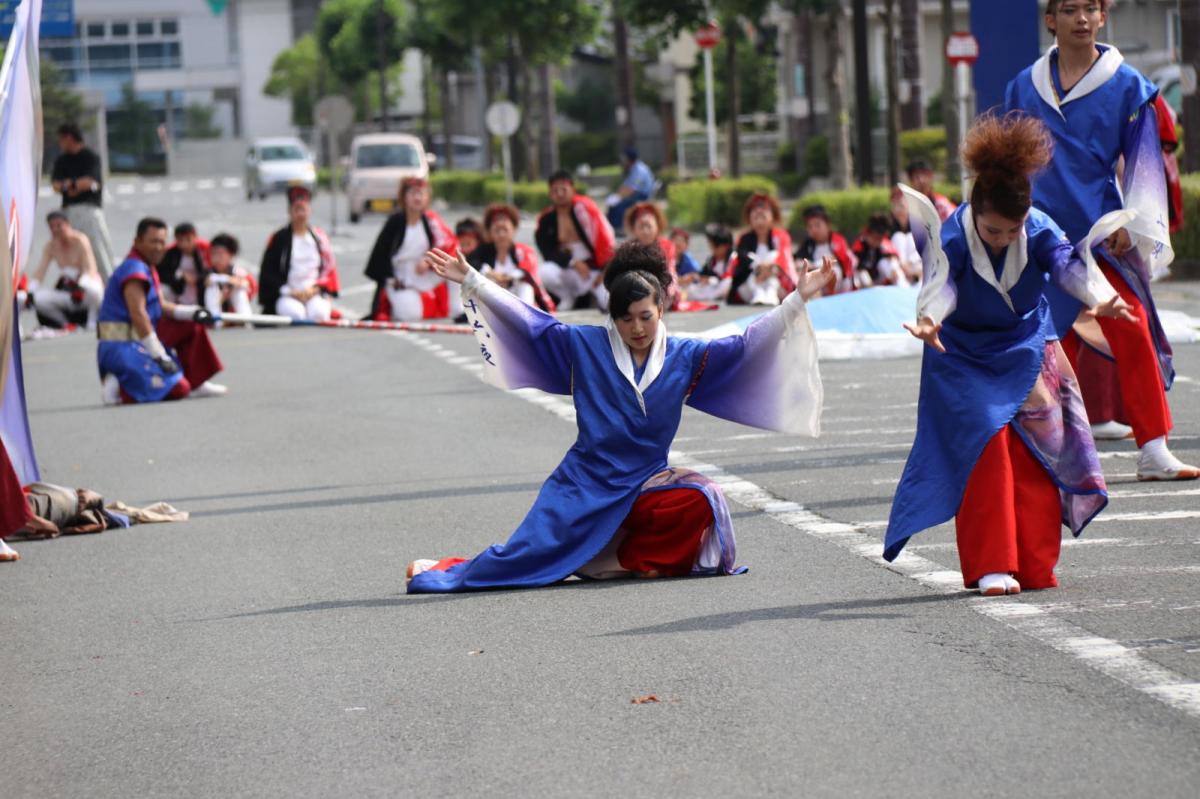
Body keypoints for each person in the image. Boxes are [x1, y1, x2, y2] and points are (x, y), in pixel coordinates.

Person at [405, 241, 833, 592]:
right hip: (585, 480)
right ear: (613, 319)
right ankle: (446, 567)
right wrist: (474, 281)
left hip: (645, 482)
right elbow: (532, 324)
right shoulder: (584, 347)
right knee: (523, 558)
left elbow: (746, 345)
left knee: (703, 497)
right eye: (626, 318)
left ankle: (617, 559)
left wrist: (798, 298)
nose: (637, 328)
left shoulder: (687, 356)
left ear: (661, 310)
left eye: (646, 316)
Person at [887, 113, 1136, 596]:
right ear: (974, 210)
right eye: (992, 230)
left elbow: (1067, 264)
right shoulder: (955, 235)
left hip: (1025, 346)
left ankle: (1033, 562)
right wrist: (929, 320)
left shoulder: (1037, 226)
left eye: (1011, 230)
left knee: (1040, 447)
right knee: (988, 447)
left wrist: (1097, 296)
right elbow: (942, 286)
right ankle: (990, 565)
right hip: (960, 352)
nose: (1001, 239)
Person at [1004, 0, 1196, 480]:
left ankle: (1153, 447)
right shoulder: (1022, 87)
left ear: (1104, 16)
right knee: (1033, 339)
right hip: (1035, 232)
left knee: (1131, 328)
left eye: (1091, 8)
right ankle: (1022, 448)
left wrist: (1135, 221)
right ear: (1051, 20)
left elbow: (1145, 159)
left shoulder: (1129, 85)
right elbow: (1005, 164)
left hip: (1099, 232)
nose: (1082, 18)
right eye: (1069, 9)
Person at [97, 218, 227, 405]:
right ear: (137, 242)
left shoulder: (147, 265)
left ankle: (197, 383)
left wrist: (193, 312)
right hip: (122, 344)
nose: (159, 247)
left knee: (191, 325)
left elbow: (162, 306)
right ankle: (118, 384)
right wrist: (159, 355)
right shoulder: (134, 269)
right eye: (153, 241)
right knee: (179, 389)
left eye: (162, 241)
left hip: (140, 336)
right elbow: (138, 314)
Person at [363, 177, 459, 322]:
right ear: (404, 197)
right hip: (400, 278)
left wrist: (428, 261)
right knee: (411, 314)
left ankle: (458, 310)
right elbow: (381, 256)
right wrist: (391, 280)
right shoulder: (395, 222)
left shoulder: (431, 220)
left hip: (424, 273)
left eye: (421, 193)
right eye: (413, 193)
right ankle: (393, 305)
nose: (417, 198)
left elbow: (448, 243)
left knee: (455, 268)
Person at [535, 169, 616, 311]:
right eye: (555, 190)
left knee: (609, 303)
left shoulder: (586, 210)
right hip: (569, 269)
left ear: (573, 189)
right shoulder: (546, 219)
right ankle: (566, 296)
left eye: (563, 189)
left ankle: (595, 297)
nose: (560, 194)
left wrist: (606, 271)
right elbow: (547, 251)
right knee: (545, 272)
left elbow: (606, 239)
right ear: (550, 194)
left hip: (594, 270)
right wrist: (573, 262)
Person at [259, 186, 341, 322]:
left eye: (304, 209)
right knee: (297, 315)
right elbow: (269, 271)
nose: (301, 214)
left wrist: (315, 289)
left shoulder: (319, 238)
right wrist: (289, 291)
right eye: (297, 210)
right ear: (289, 212)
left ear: (310, 211)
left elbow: (328, 269)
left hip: (313, 292)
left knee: (319, 315)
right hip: (288, 293)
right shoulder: (279, 238)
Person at [50, 123, 115, 281]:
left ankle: (111, 288)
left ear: (70, 138)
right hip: (68, 212)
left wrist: (69, 185)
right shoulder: (61, 160)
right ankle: (79, 291)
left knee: (99, 251)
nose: (60, 144)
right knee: (73, 252)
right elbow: (56, 186)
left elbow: (89, 182)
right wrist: (74, 185)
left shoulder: (90, 157)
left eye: (61, 140)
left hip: (89, 209)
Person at [467, 204, 555, 312]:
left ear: (514, 229)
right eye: (497, 230)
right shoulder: (483, 251)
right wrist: (491, 273)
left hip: (519, 298)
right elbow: (471, 264)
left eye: (505, 230)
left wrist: (509, 278)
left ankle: (527, 315)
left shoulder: (523, 251)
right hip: (495, 301)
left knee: (525, 285)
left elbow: (527, 268)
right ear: (490, 232)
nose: (501, 235)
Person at [28, 211, 104, 330]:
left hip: (85, 287)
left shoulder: (80, 240)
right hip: (67, 290)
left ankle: (92, 319)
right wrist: (30, 290)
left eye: (59, 225)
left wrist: (81, 285)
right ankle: (64, 323)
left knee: (95, 290)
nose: (56, 229)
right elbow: (40, 271)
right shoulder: (50, 246)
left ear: (68, 224)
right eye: (52, 227)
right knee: (38, 299)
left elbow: (90, 268)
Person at [729, 193, 799, 306]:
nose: (760, 222)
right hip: (750, 284)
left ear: (772, 217)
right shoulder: (743, 238)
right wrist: (758, 267)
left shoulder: (781, 236)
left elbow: (784, 258)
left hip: (776, 281)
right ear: (750, 219)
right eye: (756, 218)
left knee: (772, 256)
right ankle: (759, 293)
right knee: (752, 267)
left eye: (763, 217)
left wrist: (770, 266)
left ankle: (771, 293)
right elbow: (741, 259)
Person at [795, 205, 856, 294]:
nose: (814, 230)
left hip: (840, 284)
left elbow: (836, 258)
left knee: (833, 271)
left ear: (827, 225)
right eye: (810, 227)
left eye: (817, 225)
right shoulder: (808, 244)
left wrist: (815, 265)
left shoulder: (837, 239)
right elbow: (798, 260)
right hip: (817, 284)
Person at [157, 223, 211, 306]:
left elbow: (213, 269)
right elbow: (160, 273)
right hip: (178, 288)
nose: (185, 244)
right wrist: (181, 275)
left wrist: (197, 279)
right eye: (180, 240)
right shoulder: (170, 253)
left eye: (188, 240)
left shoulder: (205, 250)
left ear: (195, 237)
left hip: (201, 287)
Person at [204, 233, 257, 317]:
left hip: (234, 313)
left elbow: (248, 286)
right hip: (213, 313)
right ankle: (215, 320)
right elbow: (208, 281)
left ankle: (245, 319)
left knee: (239, 290)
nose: (217, 259)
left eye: (220, 254)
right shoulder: (207, 272)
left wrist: (230, 288)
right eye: (214, 254)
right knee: (212, 287)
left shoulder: (239, 273)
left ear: (231, 255)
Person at [678, 224, 733, 303]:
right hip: (713, 289)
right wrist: (696, 277)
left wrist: (711, 280)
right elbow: (702, 275)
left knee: (727, 282)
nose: (712, 249)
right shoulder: (711, 261)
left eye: (715, 246)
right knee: (691, 289)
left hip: (728, 287)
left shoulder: (735, 258)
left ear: (725, 246)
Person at [606, 147, 657, 230]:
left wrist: (618, 198)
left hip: (643, 196)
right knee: (615, 204)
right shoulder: (633, 168)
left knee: (620, 205)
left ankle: (617, 228)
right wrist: (616, 195)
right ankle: (612, 226)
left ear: (629, 159)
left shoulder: (639, 170)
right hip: (637, 194)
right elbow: (625, 186)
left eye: (624, 159)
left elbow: (631, 189)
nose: (623, 161)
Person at [851, 213, 906, 286]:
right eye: (875, 238)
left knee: (887, 263)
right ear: (868, 234)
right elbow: (858, 268)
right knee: (862, 274)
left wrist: (894, 268)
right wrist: (869, 285)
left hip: (880, 280)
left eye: (880, 238)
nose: (878, 241)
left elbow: (893, 257)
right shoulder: (859, 246)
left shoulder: (883, 243)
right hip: (862, 283)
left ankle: (902, 287)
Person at [889, 186, 925, 283]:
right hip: (899, 267)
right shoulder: (889, 225)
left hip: (915, 265)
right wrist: (902, 265)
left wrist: (909, 264)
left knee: (909, 237)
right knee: (898, 237)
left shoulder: (918, 224)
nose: (898, 210)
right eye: (894, 206)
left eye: (901, 205)